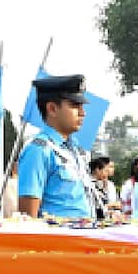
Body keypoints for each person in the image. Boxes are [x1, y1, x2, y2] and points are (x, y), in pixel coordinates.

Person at [17, 75, 94, 218]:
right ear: (52, 109)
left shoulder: (75, 150)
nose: (83, 113)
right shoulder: (38, 150)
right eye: (75, 106)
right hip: (58, 238)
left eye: (82, 106)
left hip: (82, 235)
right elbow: (27, 217)